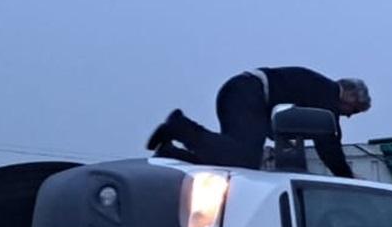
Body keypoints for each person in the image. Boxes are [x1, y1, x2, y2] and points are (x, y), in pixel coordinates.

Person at [146, 67, 371, 178]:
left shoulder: (315, 91)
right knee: (243, 158)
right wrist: (349, 179)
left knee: (235, 165)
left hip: (241, 92)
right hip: (248, 94)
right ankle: (181, 127)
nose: (349, 116)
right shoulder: (327, 96)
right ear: (350, 96)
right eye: (354, 110)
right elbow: (328, 144)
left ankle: (172, 154)